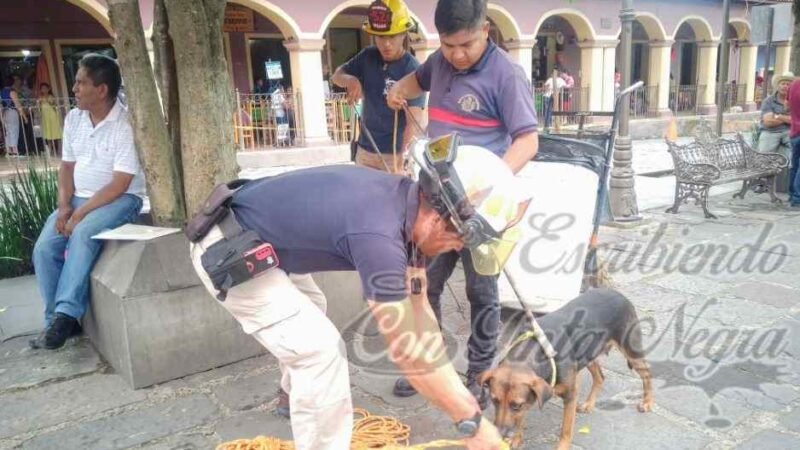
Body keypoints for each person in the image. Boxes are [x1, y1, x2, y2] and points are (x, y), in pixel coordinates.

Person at [189, 143, 527, 450]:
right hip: (228, 250)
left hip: (265, 242)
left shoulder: (410, 214)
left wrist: (455, 390)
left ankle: (294, 397)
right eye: (461, 241)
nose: (457, 249)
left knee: (312, 316)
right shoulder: (377, 234)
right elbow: (408, 352)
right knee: (319, 352)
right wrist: (473, 424)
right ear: (439, 219)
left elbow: (421, 315)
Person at [386, 0, 538, 405]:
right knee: (424, 285)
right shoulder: (439, 62)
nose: (456, 54)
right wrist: (399, 91)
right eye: (448, 45)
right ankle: (430, 369)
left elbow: (528, 140)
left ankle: (479, 374)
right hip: (434, 202)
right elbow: (413, 82)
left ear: (485, 29)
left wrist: (491, 186)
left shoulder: (507, 75)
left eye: (466, 44)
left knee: (481, 291)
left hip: (480, 210)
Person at [30, 54, 146, 350]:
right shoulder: (74, 118)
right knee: (44, 248)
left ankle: (65, 315)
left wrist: (79, 213)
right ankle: (56, 322)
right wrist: (65, 206)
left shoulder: (125, 123)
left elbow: (120, 183)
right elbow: (66, 167)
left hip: (120, 199)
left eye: (81, 82)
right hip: (79, 200)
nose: (75, 88)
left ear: (102, 90)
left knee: (82, 233)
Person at [331, 0, 426, 173]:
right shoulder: (368, 56)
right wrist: (351, 80)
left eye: (392, 36)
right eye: (381, 37)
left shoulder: (412, 69)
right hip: (365, 151)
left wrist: (402, 159)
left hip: (394, 156)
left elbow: (414, 121)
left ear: (404, 34)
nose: (386, 44)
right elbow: (337, 75)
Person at [758, 73, 793, 162]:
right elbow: (768, 122)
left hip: (789, 131)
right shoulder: (768, 101)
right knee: (763, 159)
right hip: (770, 132)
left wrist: (778, 116)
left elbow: (796, 121)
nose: (785, 86)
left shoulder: (796, 100)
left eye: (788, 84)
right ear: (778, 86)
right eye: (783, 83)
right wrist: (787, 118)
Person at [1, 75, 26, 157]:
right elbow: (17, 104)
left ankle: (8, 151)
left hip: (4, 113)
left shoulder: (1, 92)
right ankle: (15, 151)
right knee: (14, 130)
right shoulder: (12, 92)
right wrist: (24, 116)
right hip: (12, 112)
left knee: (7, 132)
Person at [38, 82, 63, 157]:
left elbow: (53, 104)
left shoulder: (51, 96)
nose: (44, 90)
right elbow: (39, 108)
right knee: (48, 135)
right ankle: (50, 150)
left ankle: (60, 150)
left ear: (48, 89)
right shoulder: (40, 97)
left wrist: (46, 100)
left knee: (56, 133)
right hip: (46, 118)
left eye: (45, 88)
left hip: (52, 117)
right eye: (42, 89)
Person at [787, 78, 800, 207]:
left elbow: (787, 105)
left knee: (795, 165)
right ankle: (797, 198)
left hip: (795, 131)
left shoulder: (794, 84)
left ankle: (792, 195)